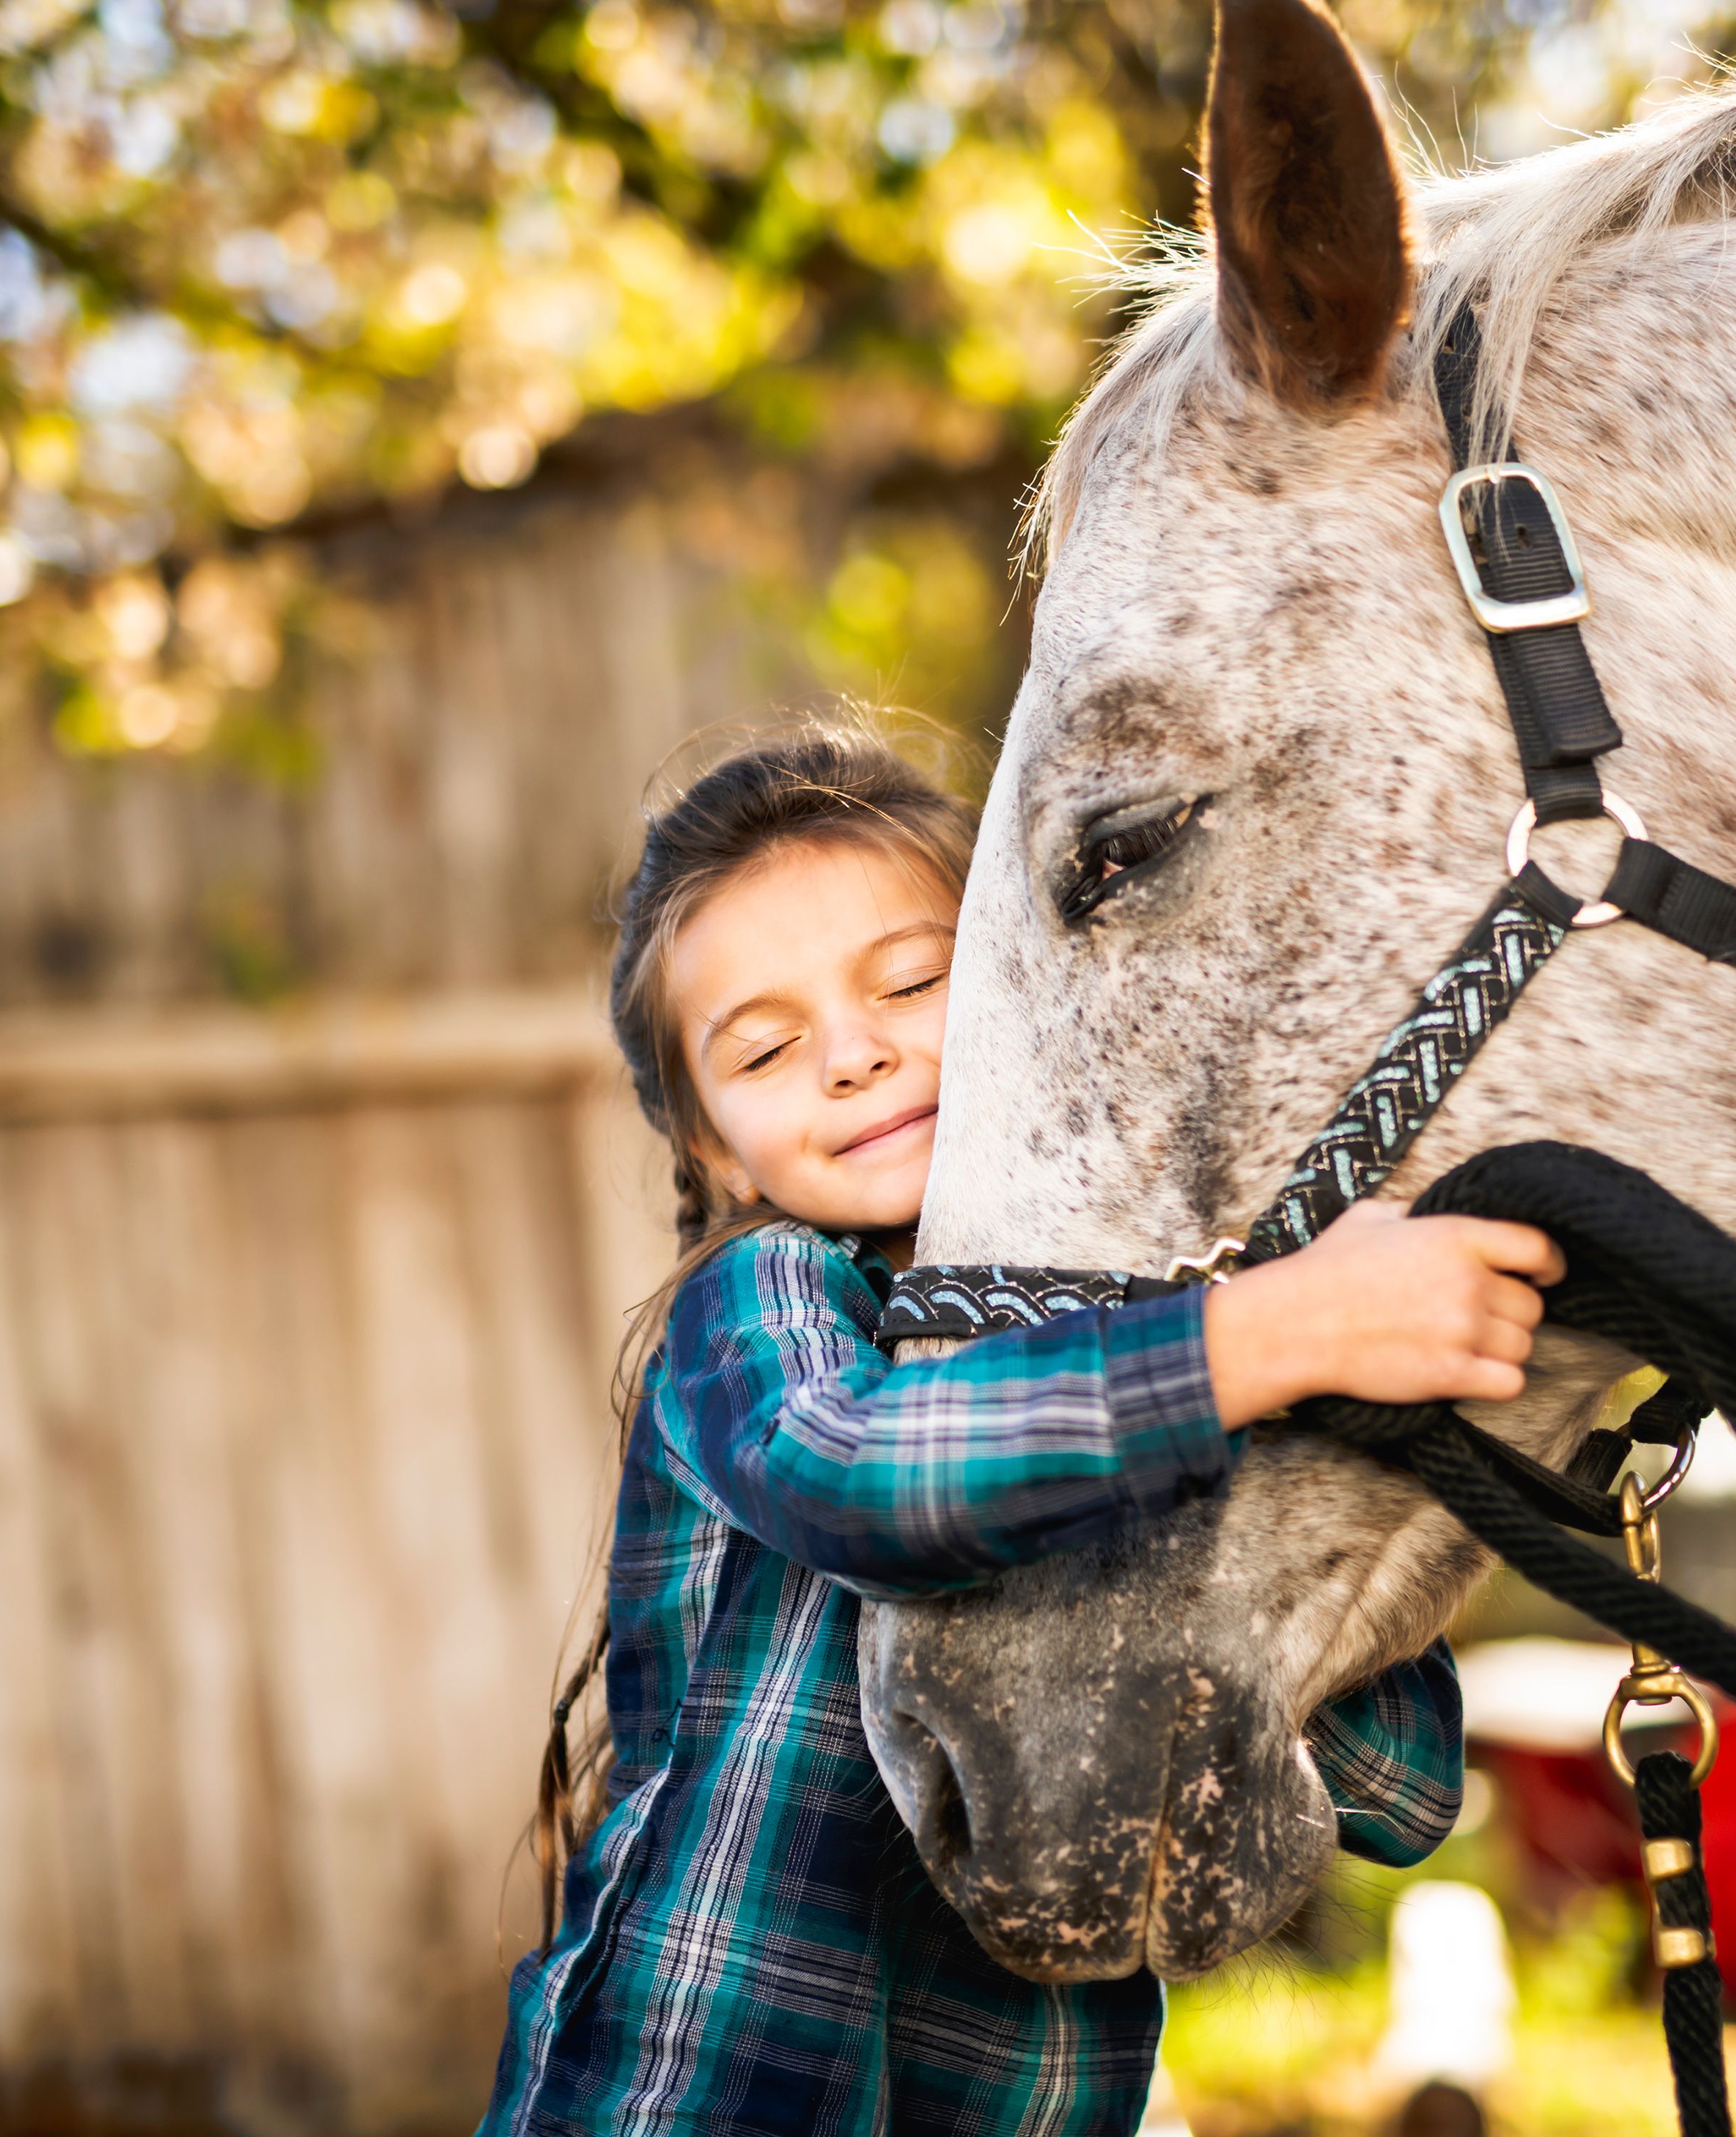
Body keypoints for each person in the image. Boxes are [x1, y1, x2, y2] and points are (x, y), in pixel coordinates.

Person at [486, 726, 1565, 2136]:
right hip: (698, 2086)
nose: (857, 1056)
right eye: (766, 1048)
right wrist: (1272, 1338)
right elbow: (855, 1473)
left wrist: (1339, 1412)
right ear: (711, 1150)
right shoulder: (761, 1306)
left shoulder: (1138, 1341)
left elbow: (1401, 1788)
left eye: (914, 982)